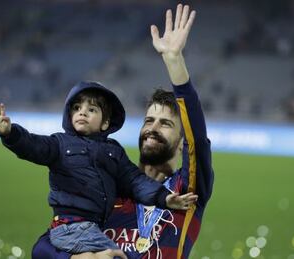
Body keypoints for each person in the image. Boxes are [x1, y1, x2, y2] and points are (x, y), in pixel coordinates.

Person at [32, 3, 214, 259]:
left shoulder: (186, 191)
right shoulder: (109, 188)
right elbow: (43, 246)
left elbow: (198, 140)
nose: (152, 128)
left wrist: (174, 62)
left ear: (182, 140)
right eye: (149, 120)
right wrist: (74, 258)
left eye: (165, 123)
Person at [0, 83, 198, 255]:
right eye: (77, 108)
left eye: (91, 109)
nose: (82, 113)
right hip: (70, 226)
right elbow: (32, 145)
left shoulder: (114, 152)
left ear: (105, 123)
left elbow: (134, 181)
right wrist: (10, 134)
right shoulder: (60, 144)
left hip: (91, 227)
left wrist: (164, 198)